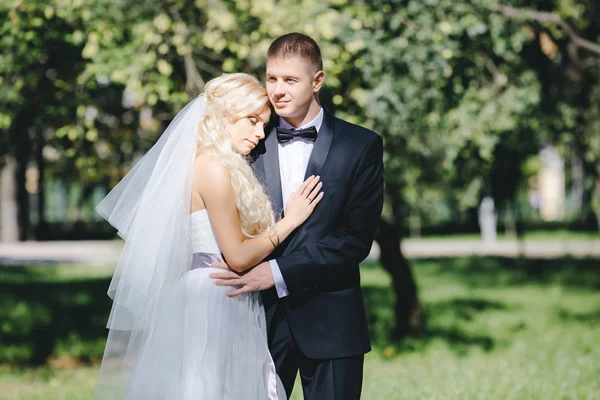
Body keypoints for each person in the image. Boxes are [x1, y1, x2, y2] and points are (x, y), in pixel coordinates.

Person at [93, 73, 323, 400]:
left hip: (227, 292)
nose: (261, 133)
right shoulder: (212, 168)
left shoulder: (220, 165)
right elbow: (238, 256)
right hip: (215, 295)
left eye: (264, 123)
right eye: (252, 121)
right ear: (224, 117)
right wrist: (291, 220)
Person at [210, 33, 384, 399]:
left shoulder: (361, 146)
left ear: (317, 81)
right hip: (256, 319)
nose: (278, 90)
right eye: (272, 78)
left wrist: (275, 273)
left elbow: (354, 241)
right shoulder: (249, 138)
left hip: (332, 321)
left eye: (291, 80)